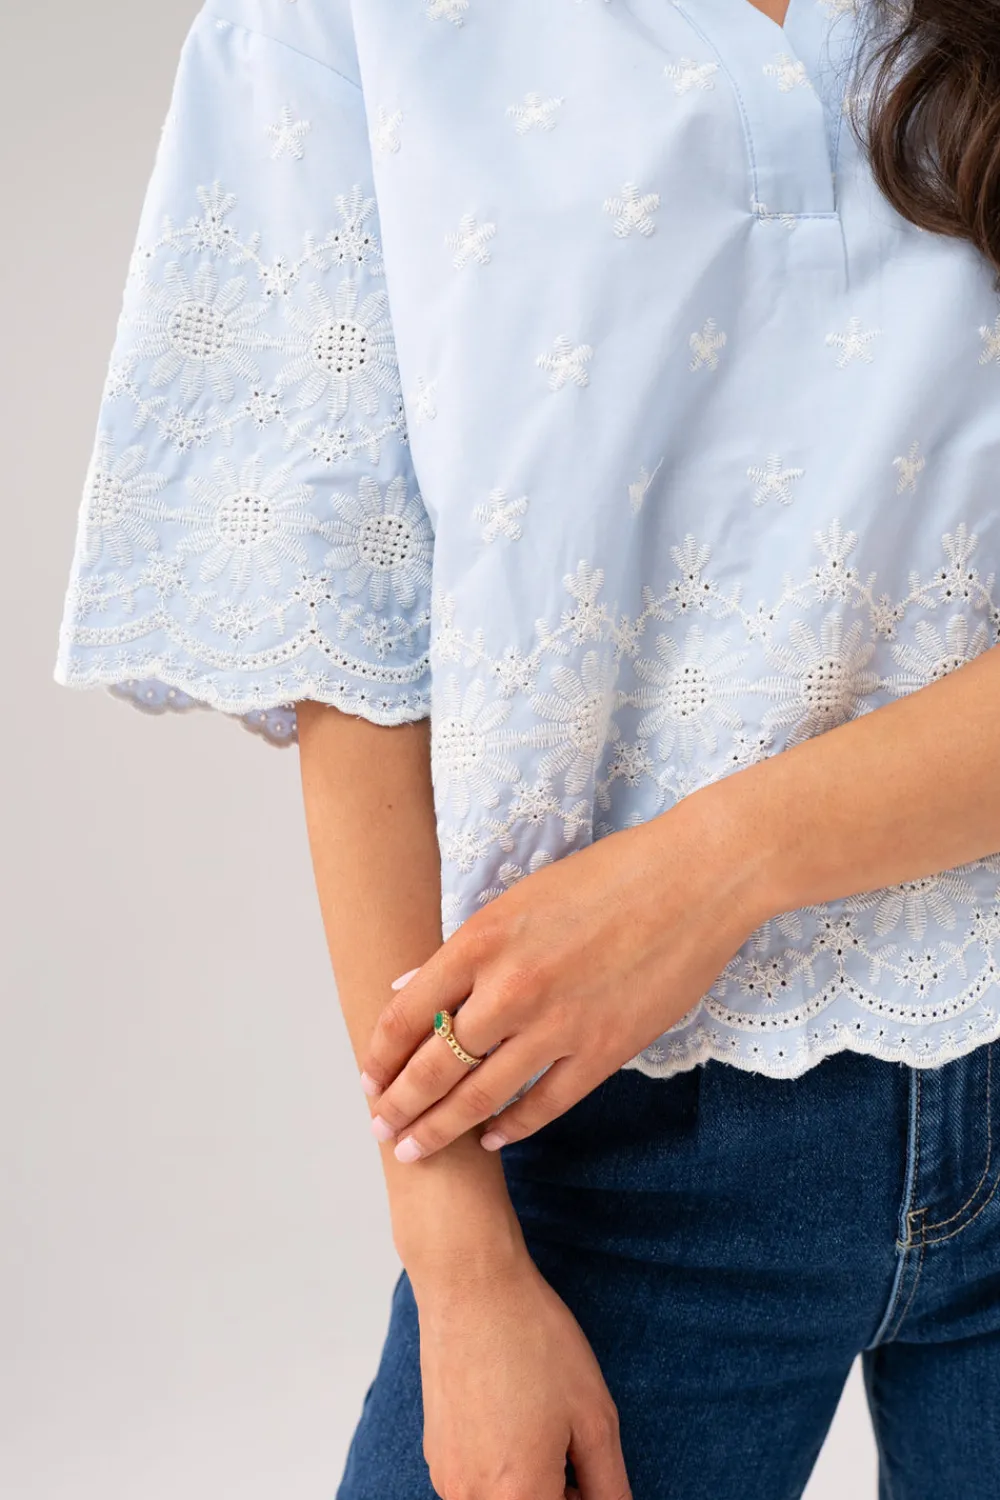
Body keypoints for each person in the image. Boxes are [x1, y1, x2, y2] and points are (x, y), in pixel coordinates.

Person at [53, 0, 1000, 1494]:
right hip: (607, 1130)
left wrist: (712, 873)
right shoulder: (338, 26)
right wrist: (460, 1262)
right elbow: (345, 633)